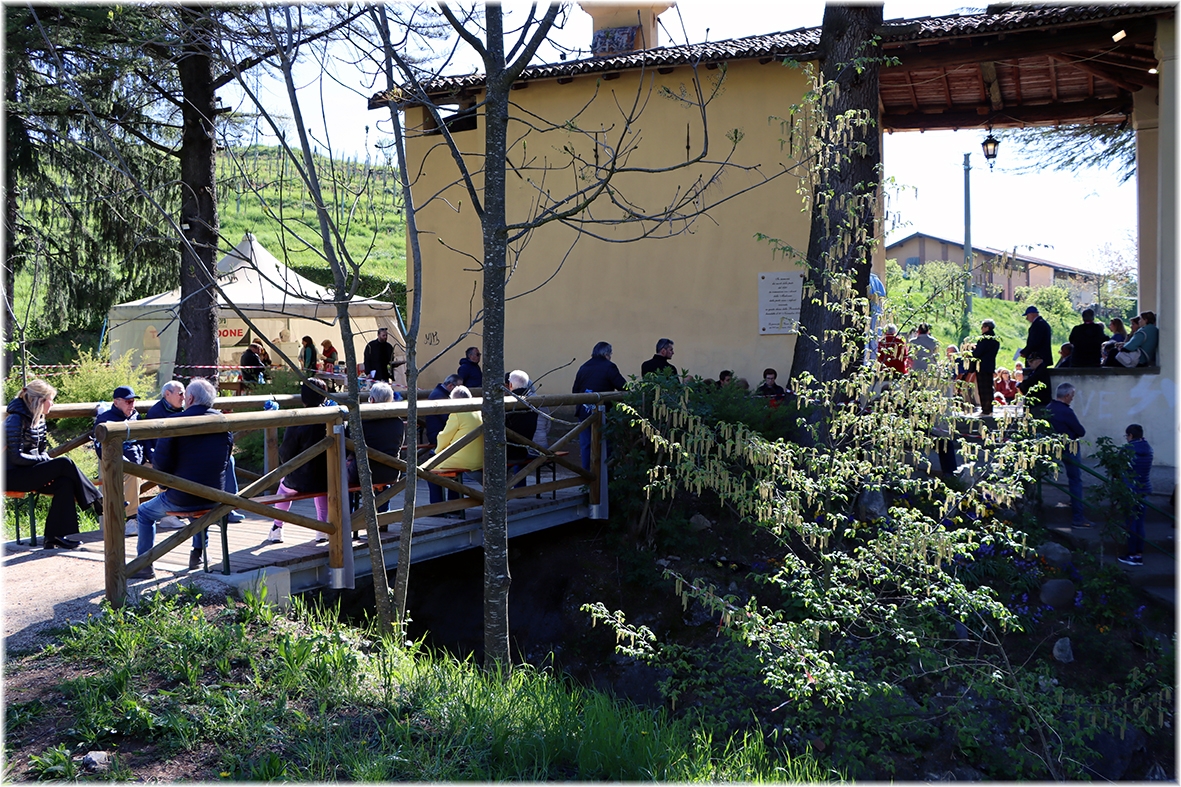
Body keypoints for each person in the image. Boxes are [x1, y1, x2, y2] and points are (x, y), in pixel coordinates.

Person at [132, 379, 233, 577]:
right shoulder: (224, 422)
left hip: (182, 497)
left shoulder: (175, 422)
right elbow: (227, 458)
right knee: (201, 509)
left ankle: (144, 564)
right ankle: (197, 554)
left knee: (144, 513)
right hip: (216, 496)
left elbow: (160, 464)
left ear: (191, 398)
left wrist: (164, 486)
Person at [5, 379, 102, 550]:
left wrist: (46, 469)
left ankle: (55, 537)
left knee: (65, 483)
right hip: (12, 476)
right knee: (64, 463)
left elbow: (41, 451)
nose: (53, 404)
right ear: (39, 401)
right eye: (51, 400)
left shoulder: (40, 419)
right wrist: (45, 463)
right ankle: (98, 500)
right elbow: (15, 458)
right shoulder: (15, 419)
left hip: (29, 471)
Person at [268, 380, 331, 544]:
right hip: (327, 476)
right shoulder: (331, 417)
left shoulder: (298, 420)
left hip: (300, 477)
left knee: (284, 485)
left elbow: (286, 453)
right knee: (322, 488)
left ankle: (277, 528)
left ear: (304, 398)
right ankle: (322, 528)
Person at [347, 382, 404, 520]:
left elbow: (348, 446)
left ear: (371, 400)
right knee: (382, 468)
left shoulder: (360, 421)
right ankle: (383, 516)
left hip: (363, 472)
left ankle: (349, 518)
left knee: (341, 475)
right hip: (392, 471)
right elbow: (398, 445)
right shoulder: (398, 422)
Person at [94, 385, 147, 523]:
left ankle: (169, 515)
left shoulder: (136, 416)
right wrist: (124, 462)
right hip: (116, 464)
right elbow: (100, 448)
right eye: (128, 401)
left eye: (133, 401)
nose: (132, 405)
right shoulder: (105, 420)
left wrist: (154, 458)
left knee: (165, 466)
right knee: (132, 473)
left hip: (139, 461)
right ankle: (132, 519)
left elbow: (144, 441)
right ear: (116, 402)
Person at [572, 341, 628, 470]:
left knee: (586, 445)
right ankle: (605, 475)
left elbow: (575, 391)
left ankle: (587, 475)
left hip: (584, 412)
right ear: (607, 354)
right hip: (603, 412)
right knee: (606, 445)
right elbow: (623, 387)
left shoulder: (584, 367)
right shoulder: (609, 367)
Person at [428, 385, 484, 509]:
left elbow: (445, 436)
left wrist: (437, 451)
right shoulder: (477, 412)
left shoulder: (457, 413)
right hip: (479, 458)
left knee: (427, 471)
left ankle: (437, 508)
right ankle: (455, 506)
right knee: (451, 475)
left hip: (463, 459)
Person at [1045, 382, 1089, 529]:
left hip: (1054, 446)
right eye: (1072, 395)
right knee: (1075, 480)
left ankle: (1074, 504)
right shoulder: (1066, 411)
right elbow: (1081, 431)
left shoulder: (1049, 408)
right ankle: (1078, 517)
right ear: (1067, 395)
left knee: (1072, 479)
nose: (1072, 398)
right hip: (1069, 447)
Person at [1118, 423, 1153, 566]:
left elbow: (1118, 468)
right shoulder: (1148, 449)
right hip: (1144, 489)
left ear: (1130, 435)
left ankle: (1131, 554)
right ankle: (1139, 554)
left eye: (1126, 436)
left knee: (1131, 523)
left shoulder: (1127, 449)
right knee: (1140, 523)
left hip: (1130, 490)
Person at [504, 370, 539, 488]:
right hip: (524, 450)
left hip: (506, 452)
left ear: (510, 385)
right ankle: (517, 489)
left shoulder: (508, 403)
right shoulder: (533, 402)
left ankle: (496, 491)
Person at [143, 380, 186, 465]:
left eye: (185, 393)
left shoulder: (186, 408)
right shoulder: (155, 413)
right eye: (180, 394)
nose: (184, 397)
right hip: (166, 460)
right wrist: (155, 461)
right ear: (167, 394)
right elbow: (148, 440)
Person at [424, 374, 461, 448]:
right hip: (438, 434)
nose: (460, 391)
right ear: (450, 386)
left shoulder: (440, 393)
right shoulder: (439, 396)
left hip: (440, 432)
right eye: (459, 388)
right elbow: (447, 418)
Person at [973, 319, 1000, 415]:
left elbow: (977, 353)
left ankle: (985, 408)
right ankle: (990, 408)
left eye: (982, 327)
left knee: (983, 388)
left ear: (987, 327)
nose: (981, 329)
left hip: (981, 366)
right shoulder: (996, 340)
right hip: (990, 366)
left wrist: (973, 349)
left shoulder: (983, 339)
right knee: (989, 388)